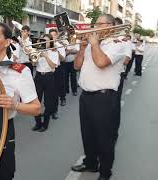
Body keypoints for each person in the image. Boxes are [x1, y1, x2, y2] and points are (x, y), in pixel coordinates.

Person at [71, 14, 126, 180]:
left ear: (111, 26)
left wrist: (94, 44)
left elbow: (101, 62)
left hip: (104, 98)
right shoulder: (89, 45)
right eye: (95, 24)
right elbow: (76, 66)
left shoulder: (118, 44)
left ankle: (105, 172)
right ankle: (91, 163)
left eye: (100, 24)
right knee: (87, 134)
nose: (95, 27)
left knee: (104, 138)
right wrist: (82, 48)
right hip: (86, 97)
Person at [0, 22, 41, 180]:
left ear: (7, 42)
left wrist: (14, 104)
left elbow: (36, 108)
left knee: (2, 174)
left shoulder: (19, 71)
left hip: (2, 129)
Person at [32, 34, 58, 132]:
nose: (44, 43)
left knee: (48, 102)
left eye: (46, 41)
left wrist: (46, 56)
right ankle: (38, 123)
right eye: (42, 41)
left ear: (50, 42)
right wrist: (36, 56)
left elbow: (53, 66)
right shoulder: (37, 51)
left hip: (49, 76)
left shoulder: (54, 51)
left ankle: (45, 124)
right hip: (38, 76)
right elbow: (34, 64)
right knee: (36, 101)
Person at [49, 28, 66, 116]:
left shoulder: (60, 45)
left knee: (59, 87)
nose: (53, 37)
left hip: (58, 68)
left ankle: (62, 98)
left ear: (57, 36)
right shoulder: (45, 45)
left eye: (54, 35)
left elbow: (63, 59)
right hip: (48, 70)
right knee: (51, 91)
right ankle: (50, 109)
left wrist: (57, 51)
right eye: (51, 35)